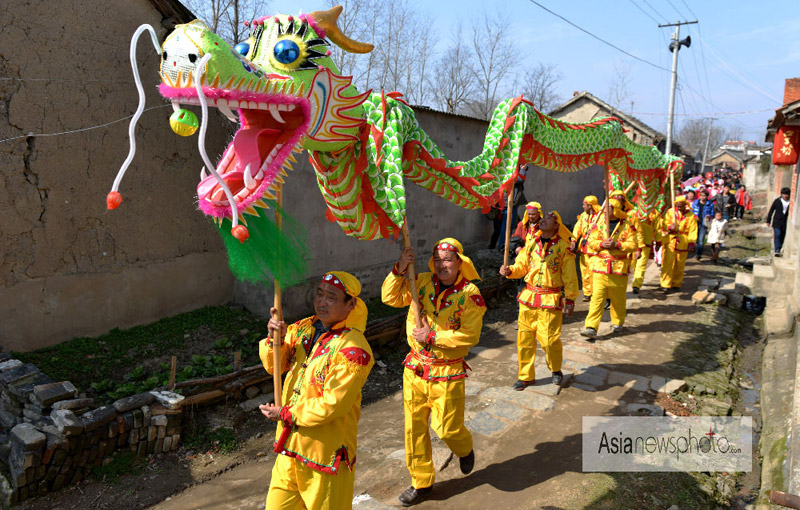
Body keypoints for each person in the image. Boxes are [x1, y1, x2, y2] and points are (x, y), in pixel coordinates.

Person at [382, 238, 486, 506]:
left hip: (447, 372)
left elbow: (469, 335)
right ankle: (421, 482)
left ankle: (464, 448)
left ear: (459, 263)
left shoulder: (470, 294)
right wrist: (399, 269)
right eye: (437, 259)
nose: (441, 264)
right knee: (414, 430)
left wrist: (433, 336)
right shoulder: (421, 281)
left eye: (447, 259)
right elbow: (390, 297)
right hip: (415, 369)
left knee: (447, 429)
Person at [260, 271, 374, 510]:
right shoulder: (304, 328)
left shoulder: (353, 349)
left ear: (350, 304)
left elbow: (333, 404)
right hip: (289, 449)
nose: (322, 302)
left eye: (331, 297)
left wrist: (286, 413)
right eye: (319, 294)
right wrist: (275, 339)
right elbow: (274, 366)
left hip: (325, 458)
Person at [500, 211, 579, 390]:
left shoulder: (563, 248)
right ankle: (525, 376)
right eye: (543, 218)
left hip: (550, 299)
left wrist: (571, 299)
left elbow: (570, 276)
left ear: (557, 226)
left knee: (549, 340)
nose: (543, 220)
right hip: (528, 297)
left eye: (548, 219)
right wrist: (510, 270)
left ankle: (556, 369)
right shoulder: (531, 244)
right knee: (525, 339)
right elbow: (521, 266)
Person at [579, 190, 638, 340]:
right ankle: (591, 327)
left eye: (608, 208)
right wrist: (601, 244)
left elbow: (633, 244)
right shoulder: (598, 224)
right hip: (600, 268)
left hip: (619, 268)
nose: (604, 210)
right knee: (597, 298)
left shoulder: (627, 225)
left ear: (616, 210)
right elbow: (591, 241)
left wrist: (617, 245)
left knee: (618, 298)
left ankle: (618, 322)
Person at [657, 196, 698, 292]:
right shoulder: (670, 212)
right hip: (671, 241)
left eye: (681, 206)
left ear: (685, 205)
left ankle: (676, 283)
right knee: (668, 263)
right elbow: (663, 224)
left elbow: (693, 230)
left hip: (683, 242)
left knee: (680, 264)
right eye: (677, 206)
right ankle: (665, 284)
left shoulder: (691, 216)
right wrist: (669, 226)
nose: (679, 208)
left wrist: (691, 242)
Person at [571, 196, 602, 302]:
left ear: (590, 205)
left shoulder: (601, 216)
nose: (583, 206)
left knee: (594, 272)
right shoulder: (583, 216)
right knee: (584, 272)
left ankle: (596, 292)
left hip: (596, 249)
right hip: (584, 247)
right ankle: (587, 293)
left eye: (584, 205)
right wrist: (573, 240)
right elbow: (577, 229)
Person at [498, 165, 528, 252]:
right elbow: (517, 179)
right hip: (508, 200)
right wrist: (522, 170)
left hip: (510, 200)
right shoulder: (506, 164)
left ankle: (504, 245)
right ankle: (503, 246)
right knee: (507, 225)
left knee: (508, 224)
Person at [631, 209, 657, 294]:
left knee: (641, 264)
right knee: (633, 264)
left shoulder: (655, 213)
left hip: (646, 243)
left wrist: (659, 241)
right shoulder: (633, 211)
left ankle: (636, 285)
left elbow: (658, 228)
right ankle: (637, 278)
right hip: (632, 243)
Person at [766, 187, 792, 256]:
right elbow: (771, 211)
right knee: (777, 234)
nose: (785, 196)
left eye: (786, 194)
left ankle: (779, 248)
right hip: (777, 221)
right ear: (781, 194)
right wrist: (768, 220)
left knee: (782, 236)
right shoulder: (777, 201)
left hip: (784, 222)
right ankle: (777, 250)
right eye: (784, 194)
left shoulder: (790, 202)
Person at [691, 189, 715, 261]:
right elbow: (691, 211)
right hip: (695, 223)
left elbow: (712, 213)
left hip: (704, 224)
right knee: (695, 239)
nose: (702, 197)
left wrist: (709, 216)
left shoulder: (710, 204)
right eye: (701, 195)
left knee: (701, 240)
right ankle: (697, 252)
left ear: (707, 196)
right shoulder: (695, 202)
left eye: (704, 195)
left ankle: (699, 254)